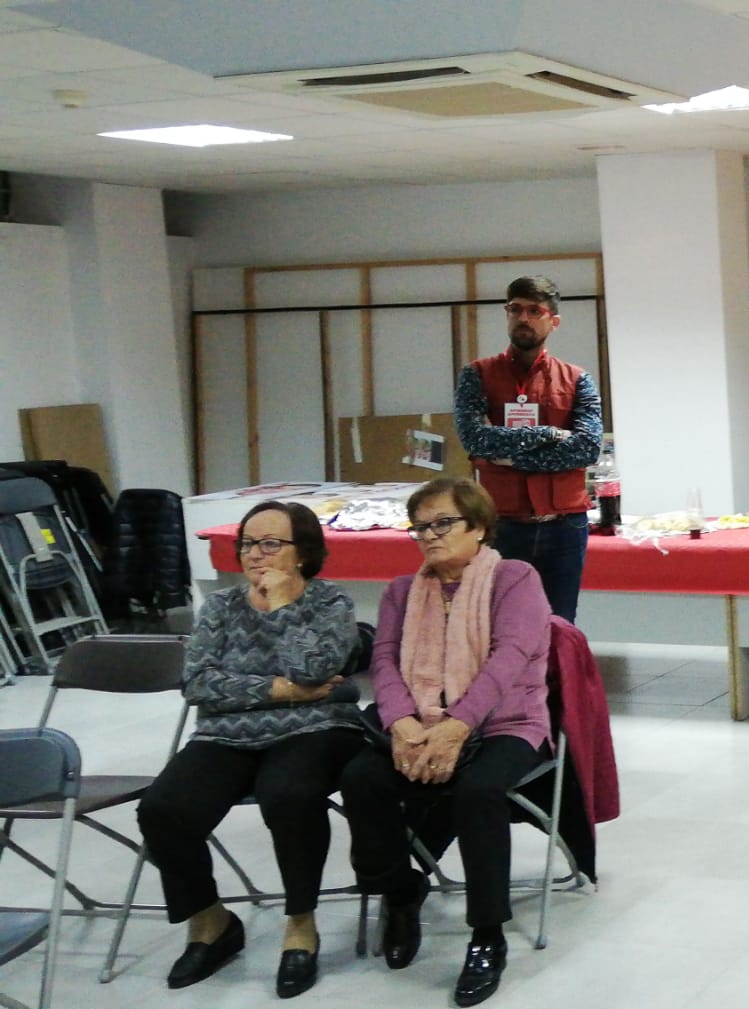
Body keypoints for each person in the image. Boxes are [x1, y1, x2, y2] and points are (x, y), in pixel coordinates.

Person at [135, 501, 364, 999]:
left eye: (271, 544)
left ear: (302, 553)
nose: (255, 555)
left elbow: (316, 666)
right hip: (227, 735)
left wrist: (283, 608)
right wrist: (280, 690)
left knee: (289, 794)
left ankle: (300, 923)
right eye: (247, 544)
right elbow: (197, 684)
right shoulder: (219, 607)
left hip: (314, 730)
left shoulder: (330, 603)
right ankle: (211, 922)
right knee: (162, 810)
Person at [340, 476, 551, 1007]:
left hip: (507, 723)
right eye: (421, 527)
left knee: (478, 792)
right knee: (360, 778)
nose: (429, 536)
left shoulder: (514, 578)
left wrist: (456, 726)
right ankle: (400, 890)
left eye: (443, 524)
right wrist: (402, 724)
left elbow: (511, 657)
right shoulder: (401, 591)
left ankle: (487, 934)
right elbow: (383, 660)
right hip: (418, 721)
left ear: (478, 527)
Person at [453, 275, 602, 622]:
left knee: (560, 623)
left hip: (565, 525)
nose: (523, 318)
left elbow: (587, 449)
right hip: (503, 524)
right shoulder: (476, 375)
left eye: (534, 310)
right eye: (515, 309)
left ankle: (553, 679)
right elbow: (475, 440)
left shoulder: (578, 379)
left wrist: (504, 455)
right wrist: (549, 434)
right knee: (500, 624)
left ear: (554, 320)